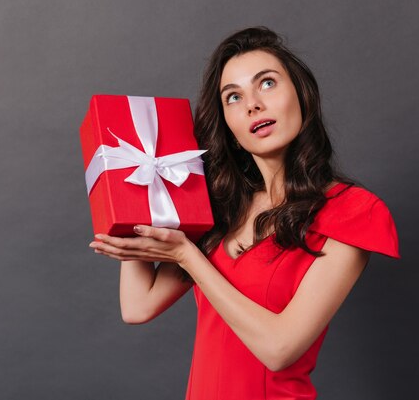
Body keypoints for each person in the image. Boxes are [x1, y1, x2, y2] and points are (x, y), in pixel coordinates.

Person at [89, 27, 400, 400]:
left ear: (301, 95)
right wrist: (141, 193)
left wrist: (187, 257)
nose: (252, 104)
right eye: (233, 97)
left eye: (267, 84)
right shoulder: (220, 209)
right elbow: (138, 307)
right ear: (229, 126)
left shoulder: (354, 211)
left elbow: (279, 349)